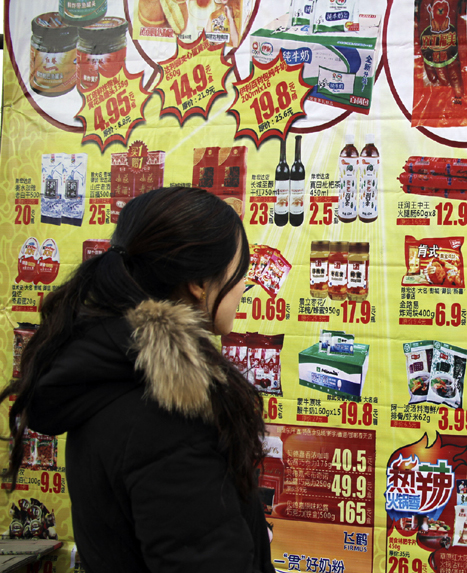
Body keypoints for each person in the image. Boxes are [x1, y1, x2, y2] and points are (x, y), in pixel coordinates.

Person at [1, 187, 275, 573]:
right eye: (239, 270)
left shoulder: (109, 372)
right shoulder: (168, 412)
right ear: (199, 281)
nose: (244, 285)